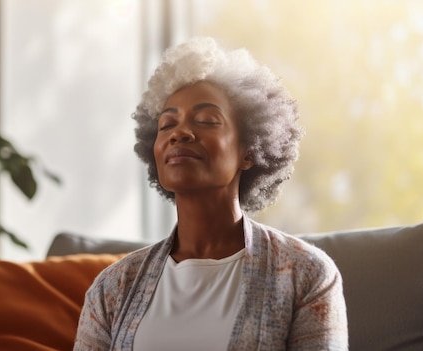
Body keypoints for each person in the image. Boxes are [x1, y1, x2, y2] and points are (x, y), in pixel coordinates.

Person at [74, 37, 348, 350]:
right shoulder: (112, 289)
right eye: (167, 125)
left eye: (206, 120)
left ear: (249, 151)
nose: (180, 132)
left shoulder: (306, 274)